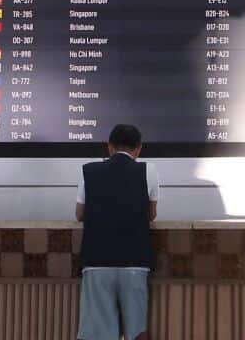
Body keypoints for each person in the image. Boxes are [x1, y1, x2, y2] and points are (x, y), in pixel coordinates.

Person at [75, 123, 159, 340]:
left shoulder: (88, 171)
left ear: (109, 147)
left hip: (97, 260)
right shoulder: (148, 170)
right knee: (135, 330)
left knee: (97, 331)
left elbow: (79, 214)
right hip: (135, 261)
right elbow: (151, 213)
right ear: (138, 149)